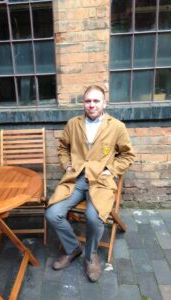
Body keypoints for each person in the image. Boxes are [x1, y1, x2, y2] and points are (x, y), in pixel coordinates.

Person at [45, 85, 135, 282]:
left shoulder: (116, 126)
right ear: (83, 103)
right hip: (75, 179)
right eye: (88, 101)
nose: (91, 105)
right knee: (52, 213)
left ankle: (91, 254)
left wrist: (110, 170)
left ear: (104, 103)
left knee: (93, 217)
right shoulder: (73, 124)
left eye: (96, 101)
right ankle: (73, 248)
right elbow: (62, 148)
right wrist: (67, 165)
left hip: (100, 182)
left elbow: (128, 155)